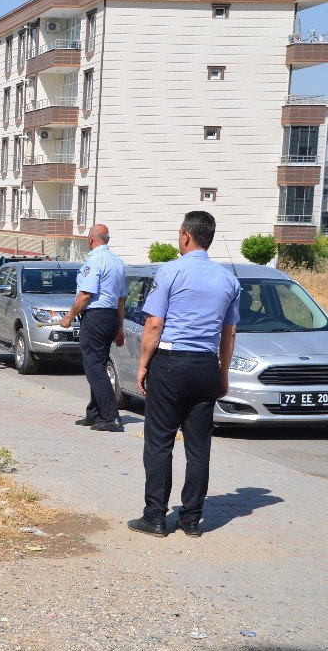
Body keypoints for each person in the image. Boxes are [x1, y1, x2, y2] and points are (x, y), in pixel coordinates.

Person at [128, 210, 240, 538]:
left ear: (187, 236)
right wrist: (223, 374)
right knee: (198, 445)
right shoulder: (228, 279)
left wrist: (144, 364)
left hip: (171, 361)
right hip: (206, 364)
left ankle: (155, 516)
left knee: (160, 441)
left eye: (179, 234)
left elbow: (154, 323)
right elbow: (229, 333)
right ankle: (192, 519)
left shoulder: (170, 272)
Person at [61, 224, 126, 432]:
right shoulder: (117, 261)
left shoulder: (95, 260)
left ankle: (110, 416)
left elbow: (86, 294)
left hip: (96, 316)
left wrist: (69, 317)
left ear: (91, 239)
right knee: (97, 363)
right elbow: (121, 298)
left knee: (94, 367)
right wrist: (120, 327)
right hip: (111, 316)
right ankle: (95, 413)